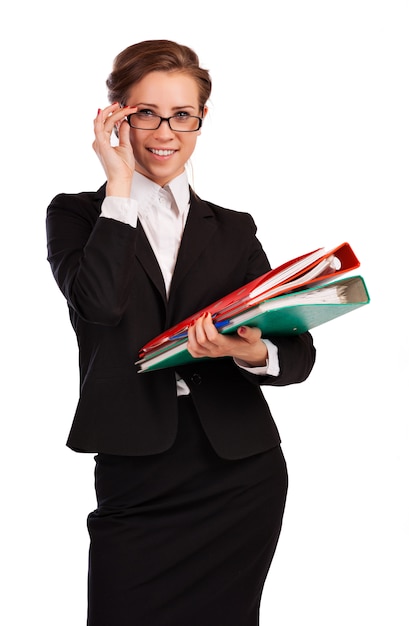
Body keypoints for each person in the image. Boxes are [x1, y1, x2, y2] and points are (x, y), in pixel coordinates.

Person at [46, 39, 316, 626]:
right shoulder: (76, 215)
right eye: (145, 113)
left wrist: (251, 351)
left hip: (240, 472)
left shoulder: (234, 230)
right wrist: (118, 187)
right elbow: (97, 307)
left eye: (182, 115)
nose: (164, 131)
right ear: (116, 115)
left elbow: (297, 354)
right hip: (137, 471)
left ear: (201, 120)